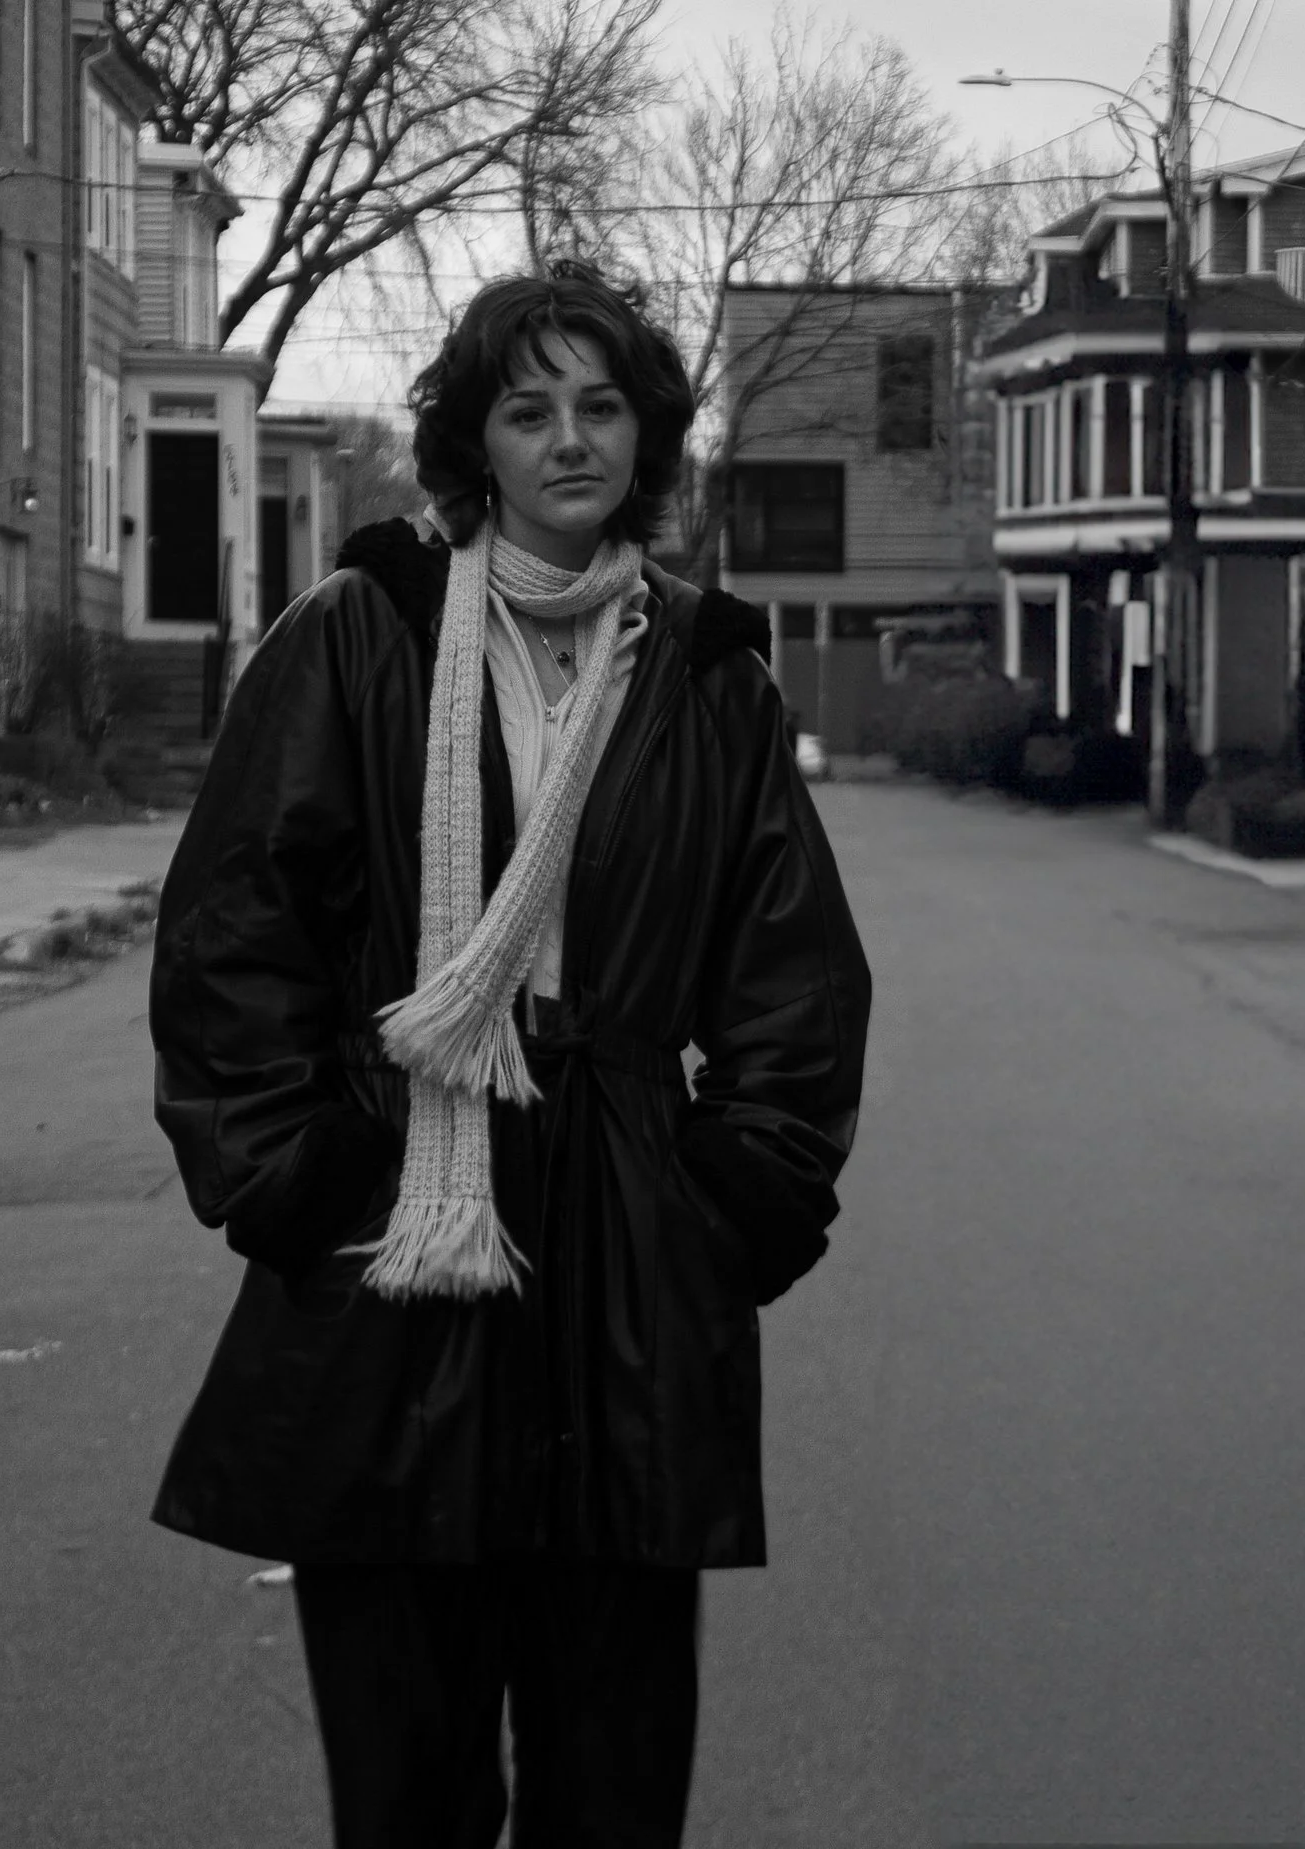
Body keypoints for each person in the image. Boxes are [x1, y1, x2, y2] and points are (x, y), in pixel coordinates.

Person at [146, 260, 872, 1847]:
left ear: (647, 436)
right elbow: (231, 936)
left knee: (613, 1795)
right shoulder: (359, 633)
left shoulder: (708, 674)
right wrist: (306, 1179)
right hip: (395, 1259)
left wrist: (727, 1207)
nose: (569, 440)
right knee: (409, 1797)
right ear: (475, 439)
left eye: (601, 407)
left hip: (630, 1276)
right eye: (529, 410)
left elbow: (795, 984)